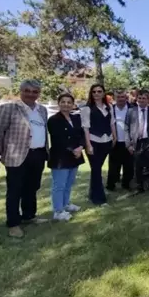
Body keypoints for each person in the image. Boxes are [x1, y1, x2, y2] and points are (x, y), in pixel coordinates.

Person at [0, 79, 49, 238]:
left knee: (32, 187)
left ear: (39, 93)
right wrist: (4, 152)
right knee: (15, 190)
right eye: (27, 91)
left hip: (38, 154)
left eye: (35, 92)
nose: (31, 94)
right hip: (16, 155)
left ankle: (29, 216)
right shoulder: (8, 108)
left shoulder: (42, 109)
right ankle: (13, 223)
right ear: (21, 91)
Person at [47, 93, 84, 221]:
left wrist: (80, 147)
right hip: (60, 157)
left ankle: (66, 204)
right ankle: (58, 211)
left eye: (69, 102)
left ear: (73, 104)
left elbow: (81, 135)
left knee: (69, 183)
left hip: (75, 156)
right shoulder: (53, 120)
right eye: (63, 102)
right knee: (59, 185)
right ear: (59, 103)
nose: (66, 104)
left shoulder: (76, 118)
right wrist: (73, 149)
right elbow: (58, 139)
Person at [81, 84, 116, 206]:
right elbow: (85, 128)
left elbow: (112, 124)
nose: (96, 93)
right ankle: (99, 199)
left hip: (107, 142)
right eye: (94, 91)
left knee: (96, 169)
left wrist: (114, 137)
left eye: (99, 91)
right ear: (91, 93)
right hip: (93, 142)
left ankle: (92, 194)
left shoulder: (109, 107)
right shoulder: (87, 109)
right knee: (96, 170)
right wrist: (88, 145)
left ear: (103, 93)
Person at [125, 89, 149, 194]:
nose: (141, 100)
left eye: (144, 98)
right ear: (137, 99)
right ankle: (139, 186)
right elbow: (126, 128)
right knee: (137, 165)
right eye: (139, 98)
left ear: (147, 99)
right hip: (137, 142)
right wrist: (128, 144)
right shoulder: (131, 111)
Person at [107, 90, 134, 191]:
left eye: (123, 97)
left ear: (126, 98)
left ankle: (126, 184)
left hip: (128, 142)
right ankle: (111, 185)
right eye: (119, 97)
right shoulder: (111, 109)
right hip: (115, 142)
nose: (121, 99)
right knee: (113, 165)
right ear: (115, 98)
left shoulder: (132, 109)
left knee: (128, 165)